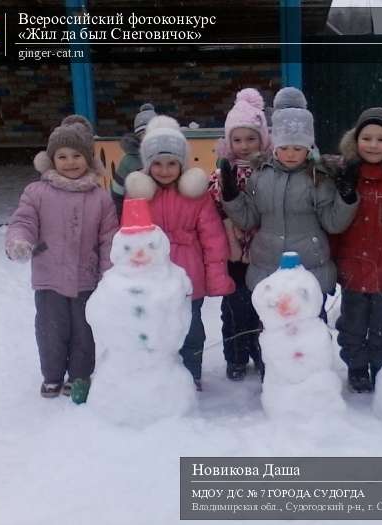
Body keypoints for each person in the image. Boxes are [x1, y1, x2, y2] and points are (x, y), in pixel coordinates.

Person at [221, 87, 359, 321]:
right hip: (267, 265)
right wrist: (232, 196)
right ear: (274, 147)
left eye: (298, 148)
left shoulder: (318, 177)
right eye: (284, 148)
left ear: (309, 148)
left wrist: (345, 198)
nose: (291, 154)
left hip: (309, 266)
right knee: (272, 327)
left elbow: (333, 223)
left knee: (310, 326)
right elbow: (249, 218)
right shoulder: (260, 175)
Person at [5, 115, 118, 399]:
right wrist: (19, 241)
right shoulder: (37, 192)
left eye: (77, 155)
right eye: (62, 156)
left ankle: (79, 375)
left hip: (86, 277)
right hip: (49, 276)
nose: (70, 162)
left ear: (88, 159)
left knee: (84, 330)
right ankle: (52, 375)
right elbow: (24, 221)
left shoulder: (100, 198)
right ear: (51, 159)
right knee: (51, 330)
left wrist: (110, 273)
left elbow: (108, 238)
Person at [133, 114, 235, 390]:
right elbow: (129, 241)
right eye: (157, 163)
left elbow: (213, 240)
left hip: (190, 279)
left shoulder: (196, 196)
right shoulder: (141, 196)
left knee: (191, 331)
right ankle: (162, 373)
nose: (165, 170)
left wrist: (216, 278)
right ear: (147, 164)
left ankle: (192, 375)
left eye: (171, 163)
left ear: (182, 164)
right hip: (153, 277)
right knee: (158, 329)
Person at [332, 107, 382, 392]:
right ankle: (356, 367)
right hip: (352, 269)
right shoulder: (344, 174)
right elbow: (334, 223)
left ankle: (381, 368)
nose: (373, 145)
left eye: (381, 139)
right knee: (352, 325)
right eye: (367, 138)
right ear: (356, 141)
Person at [209, 88, 272, 381]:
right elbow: (212, 206)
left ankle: (261, 353)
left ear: (263, 139)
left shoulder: (270, 172)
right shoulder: (222, 172)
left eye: (251, 138)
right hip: (232, 252)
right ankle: (235, 356)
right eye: (237, 139)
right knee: (234, 308)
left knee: (263, 307)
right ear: (228, 141)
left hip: (263, 251)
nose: (244, 146)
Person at [111, 103, 157, 219]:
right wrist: (120, 217)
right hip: (137, 214)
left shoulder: (166, 157)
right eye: (143, 133)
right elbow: (117, 194)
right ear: (138, 136)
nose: (148, 137)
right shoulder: (128, 161)